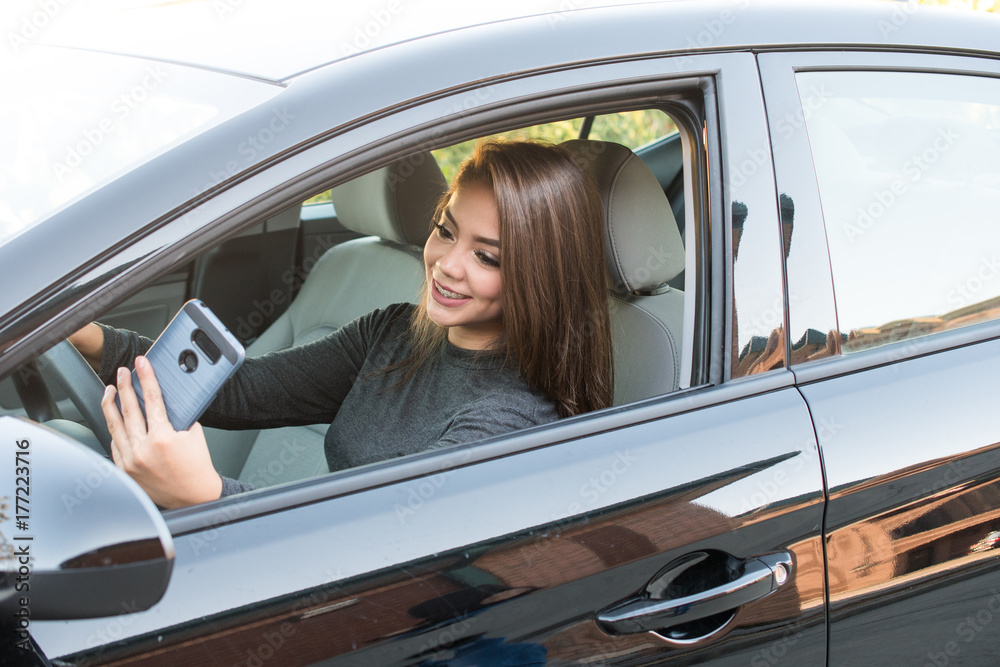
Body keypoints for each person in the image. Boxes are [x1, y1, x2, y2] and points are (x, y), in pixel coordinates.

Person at [69, 139, 613, 508]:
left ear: (539, 275)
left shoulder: (509, 421)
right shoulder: (396, 331)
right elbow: (248, 391)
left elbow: (380, 552)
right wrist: (86, 337)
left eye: (487, 257)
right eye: (446, 232)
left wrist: (207, 497)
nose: (446, 264)